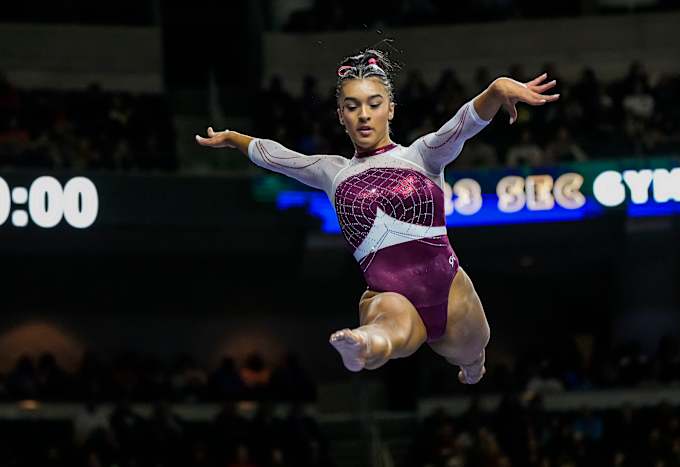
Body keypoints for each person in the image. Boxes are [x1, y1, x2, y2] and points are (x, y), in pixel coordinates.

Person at [196, 49, 559, 384]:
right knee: (386, 330)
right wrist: (235, 138)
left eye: (374, 104)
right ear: (341, 115)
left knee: (471, 354)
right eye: (352, 107)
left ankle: (472, 368)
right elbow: (278, 156)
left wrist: (495, 91)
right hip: (388, 293)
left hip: (449, 292)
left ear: (391, 109)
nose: (364, 115)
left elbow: (461, 125)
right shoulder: (332, 171)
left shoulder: (422, 156)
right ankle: (361, 346)